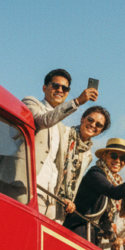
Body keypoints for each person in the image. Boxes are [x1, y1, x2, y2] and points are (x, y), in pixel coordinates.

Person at [23, 69, 98, 220]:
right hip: (27, 186)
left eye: (65, 88)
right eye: (55, 86)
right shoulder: (31, 103)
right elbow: (43, 120)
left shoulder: (60, 127)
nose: (60, 90)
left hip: (50, 196)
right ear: (45, 88)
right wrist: (77, 102)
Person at [63, 139, 125, 242]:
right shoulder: (95, 173)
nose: (118, 160)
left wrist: (112, 236)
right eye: (114, 156)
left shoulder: (115, 181)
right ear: (104, 156)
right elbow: (114, 192)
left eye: (122, 158)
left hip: (92, 234)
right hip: (76, 229)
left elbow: (105, 215)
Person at [58, 106, 111, 205]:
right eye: (90, 120)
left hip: (64, 204)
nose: (93, 125)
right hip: (45, 193)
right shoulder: (62, 133)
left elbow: (76, 181)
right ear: (82, 118)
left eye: (99, 125)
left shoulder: (88, 155)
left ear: (101, 131)